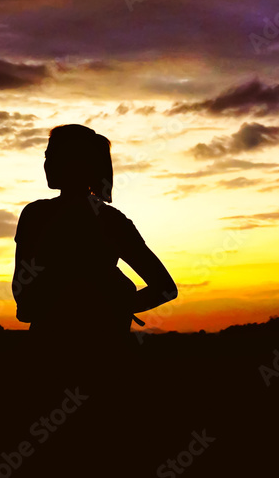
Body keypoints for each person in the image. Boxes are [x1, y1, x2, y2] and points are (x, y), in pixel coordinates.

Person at [12, 124, 178, 368]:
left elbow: (165, 287)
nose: (46, 164)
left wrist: (109, 309)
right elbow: (22, 288)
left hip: (72, 351)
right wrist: (114, 308)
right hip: (81, 349)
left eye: (53, 156)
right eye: (46, 157)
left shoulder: (37, 214)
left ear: (76, 163)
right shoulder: (106, 219)